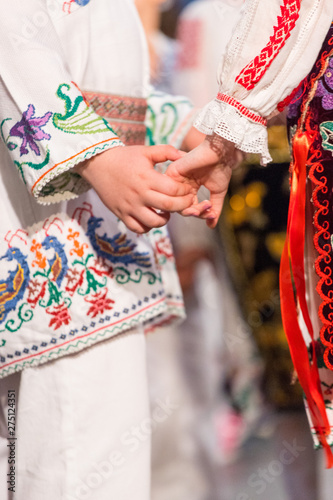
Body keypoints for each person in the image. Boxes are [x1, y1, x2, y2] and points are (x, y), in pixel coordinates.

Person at [0, 1, 210, 499]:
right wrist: (95, 157)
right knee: (78, 454)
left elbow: (101, 77)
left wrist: (190, 131)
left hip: (90, 250)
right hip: (51, 245)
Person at [166, 0, 333, 467]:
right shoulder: (201, 16)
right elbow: (193, 108)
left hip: (289, 176)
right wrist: (195, 240)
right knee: (289, 363)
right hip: (260, 194)